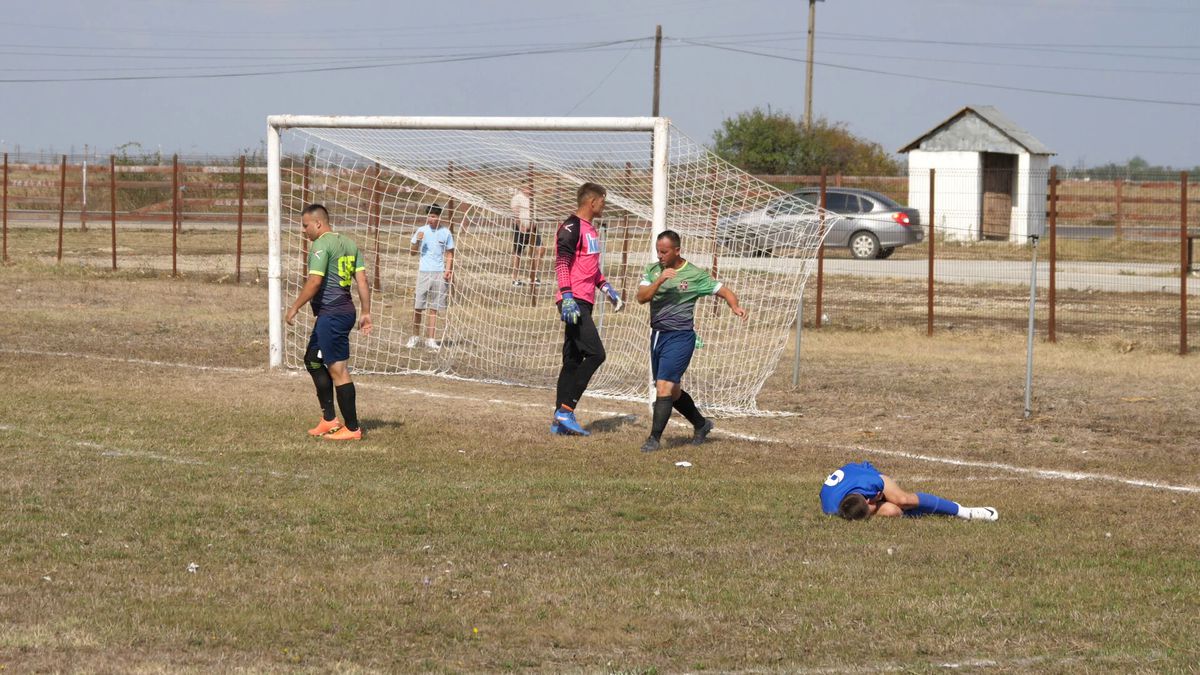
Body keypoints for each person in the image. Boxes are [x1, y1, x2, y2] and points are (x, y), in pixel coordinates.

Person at [635, 230, 747, 453]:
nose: (660, 255)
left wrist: (734, 305)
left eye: (665, 251)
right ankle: (701, 424)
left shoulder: (694, 275)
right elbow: (641, 297)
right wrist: (660, 279)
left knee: (664, 387)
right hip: (657, 335)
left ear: (677, 250)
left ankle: (654, 439)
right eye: (658, 251)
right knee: (673, 391)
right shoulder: (653, 270)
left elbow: (723, 290)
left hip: (681, 337)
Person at [285, 204, 372, 441]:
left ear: (318, 223)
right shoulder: (350, 244)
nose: (304, 231)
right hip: (339, 312)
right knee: (313, 360)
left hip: (333, 314)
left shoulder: (321, 245)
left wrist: (294, 307)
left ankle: (352, 429)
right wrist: (365, 311)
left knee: (338, 370)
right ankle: (329, 420)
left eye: (305, 226)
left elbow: (314, 282)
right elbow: (362, 280)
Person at [551, 182, 624, 436]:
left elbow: (589, 269)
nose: (604, 205)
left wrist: (606, 288)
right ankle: (566, 410)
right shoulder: (571, 227)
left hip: (584, 299)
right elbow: (562, 263)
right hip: (574, 301)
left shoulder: (591, 230)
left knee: (572, 360)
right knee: (596, 354)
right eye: (603, 201)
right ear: (592, 202)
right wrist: (567, 296)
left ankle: (558, 422)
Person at [820, 460, 999, 521]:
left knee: (902, 501)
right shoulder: (832, 509)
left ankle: (964, 511)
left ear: (869, 500)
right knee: (892, 511)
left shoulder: (871, 483)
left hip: (863, 475)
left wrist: (882, 495)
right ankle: (935, 512)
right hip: (852, 486)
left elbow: (873, 481)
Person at [406, 204, 455, 350]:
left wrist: (448, 270)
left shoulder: (446, 232)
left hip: (439, 273)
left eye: (433, 216)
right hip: (424, 272)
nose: (431, 219)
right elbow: (412, 252)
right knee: (418, 306)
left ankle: (431, 339)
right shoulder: (421, 231)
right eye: (429, 216)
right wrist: (418, 242)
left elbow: (450, 253)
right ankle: (414, 337)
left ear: (439, 217)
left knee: (434, 307)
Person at [510, 185, 544, 287]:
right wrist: (520, 225)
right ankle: (514, 278)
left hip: (532, 229)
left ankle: (533, 276)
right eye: (528, 187)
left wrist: (534, 224)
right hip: (521, 229)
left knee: (541, 249)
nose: (530, 189)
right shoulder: (517, 197)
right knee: (518, 253)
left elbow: (534, 213)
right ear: (523, 187)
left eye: (531, 187)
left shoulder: (533, 199)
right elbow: (515, 213)